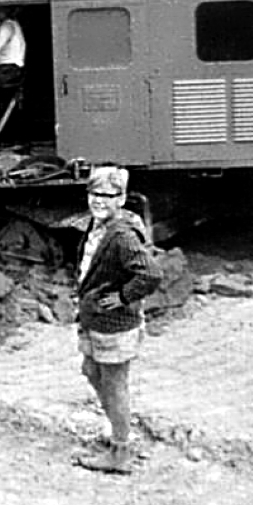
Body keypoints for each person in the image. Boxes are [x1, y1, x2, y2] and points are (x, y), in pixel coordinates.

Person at [73, 165, 161, 475]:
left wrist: (123, 297)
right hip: (95, 318)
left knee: (114, 384)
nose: (99, 201)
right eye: (94, 194)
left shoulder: (122, 235)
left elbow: (150, 274)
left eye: (108, 195)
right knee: (91, 370)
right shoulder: (99, 226)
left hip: (114, 324)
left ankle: (120, 451)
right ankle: (117, 431)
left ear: (121, 198)